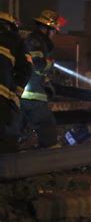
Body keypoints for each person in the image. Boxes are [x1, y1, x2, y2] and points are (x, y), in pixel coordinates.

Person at [21, 10, 66, 148]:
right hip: (31, 97)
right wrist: (50, 64)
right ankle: (52, 161)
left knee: (14, 131)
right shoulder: (35, 41)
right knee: (47, 129)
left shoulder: (37, 41)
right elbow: (38, 64)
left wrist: (48, 84)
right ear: (47, 28)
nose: (54, 35)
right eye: (54, 31)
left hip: (26, 94)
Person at [0, 12, 32, 153]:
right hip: (2, 96)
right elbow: (26, 68)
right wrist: (16, 94)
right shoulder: (14, 39)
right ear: (11, 27)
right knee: (6, 135)